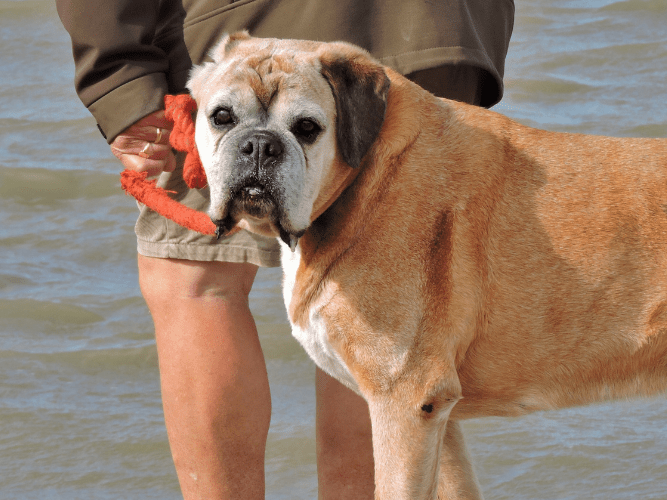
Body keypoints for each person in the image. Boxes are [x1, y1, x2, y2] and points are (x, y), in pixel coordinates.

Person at [55, 1, 513, 498]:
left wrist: (118, 75)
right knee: (375, 303)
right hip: (441, 27)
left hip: (245, 20)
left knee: (196, 280)